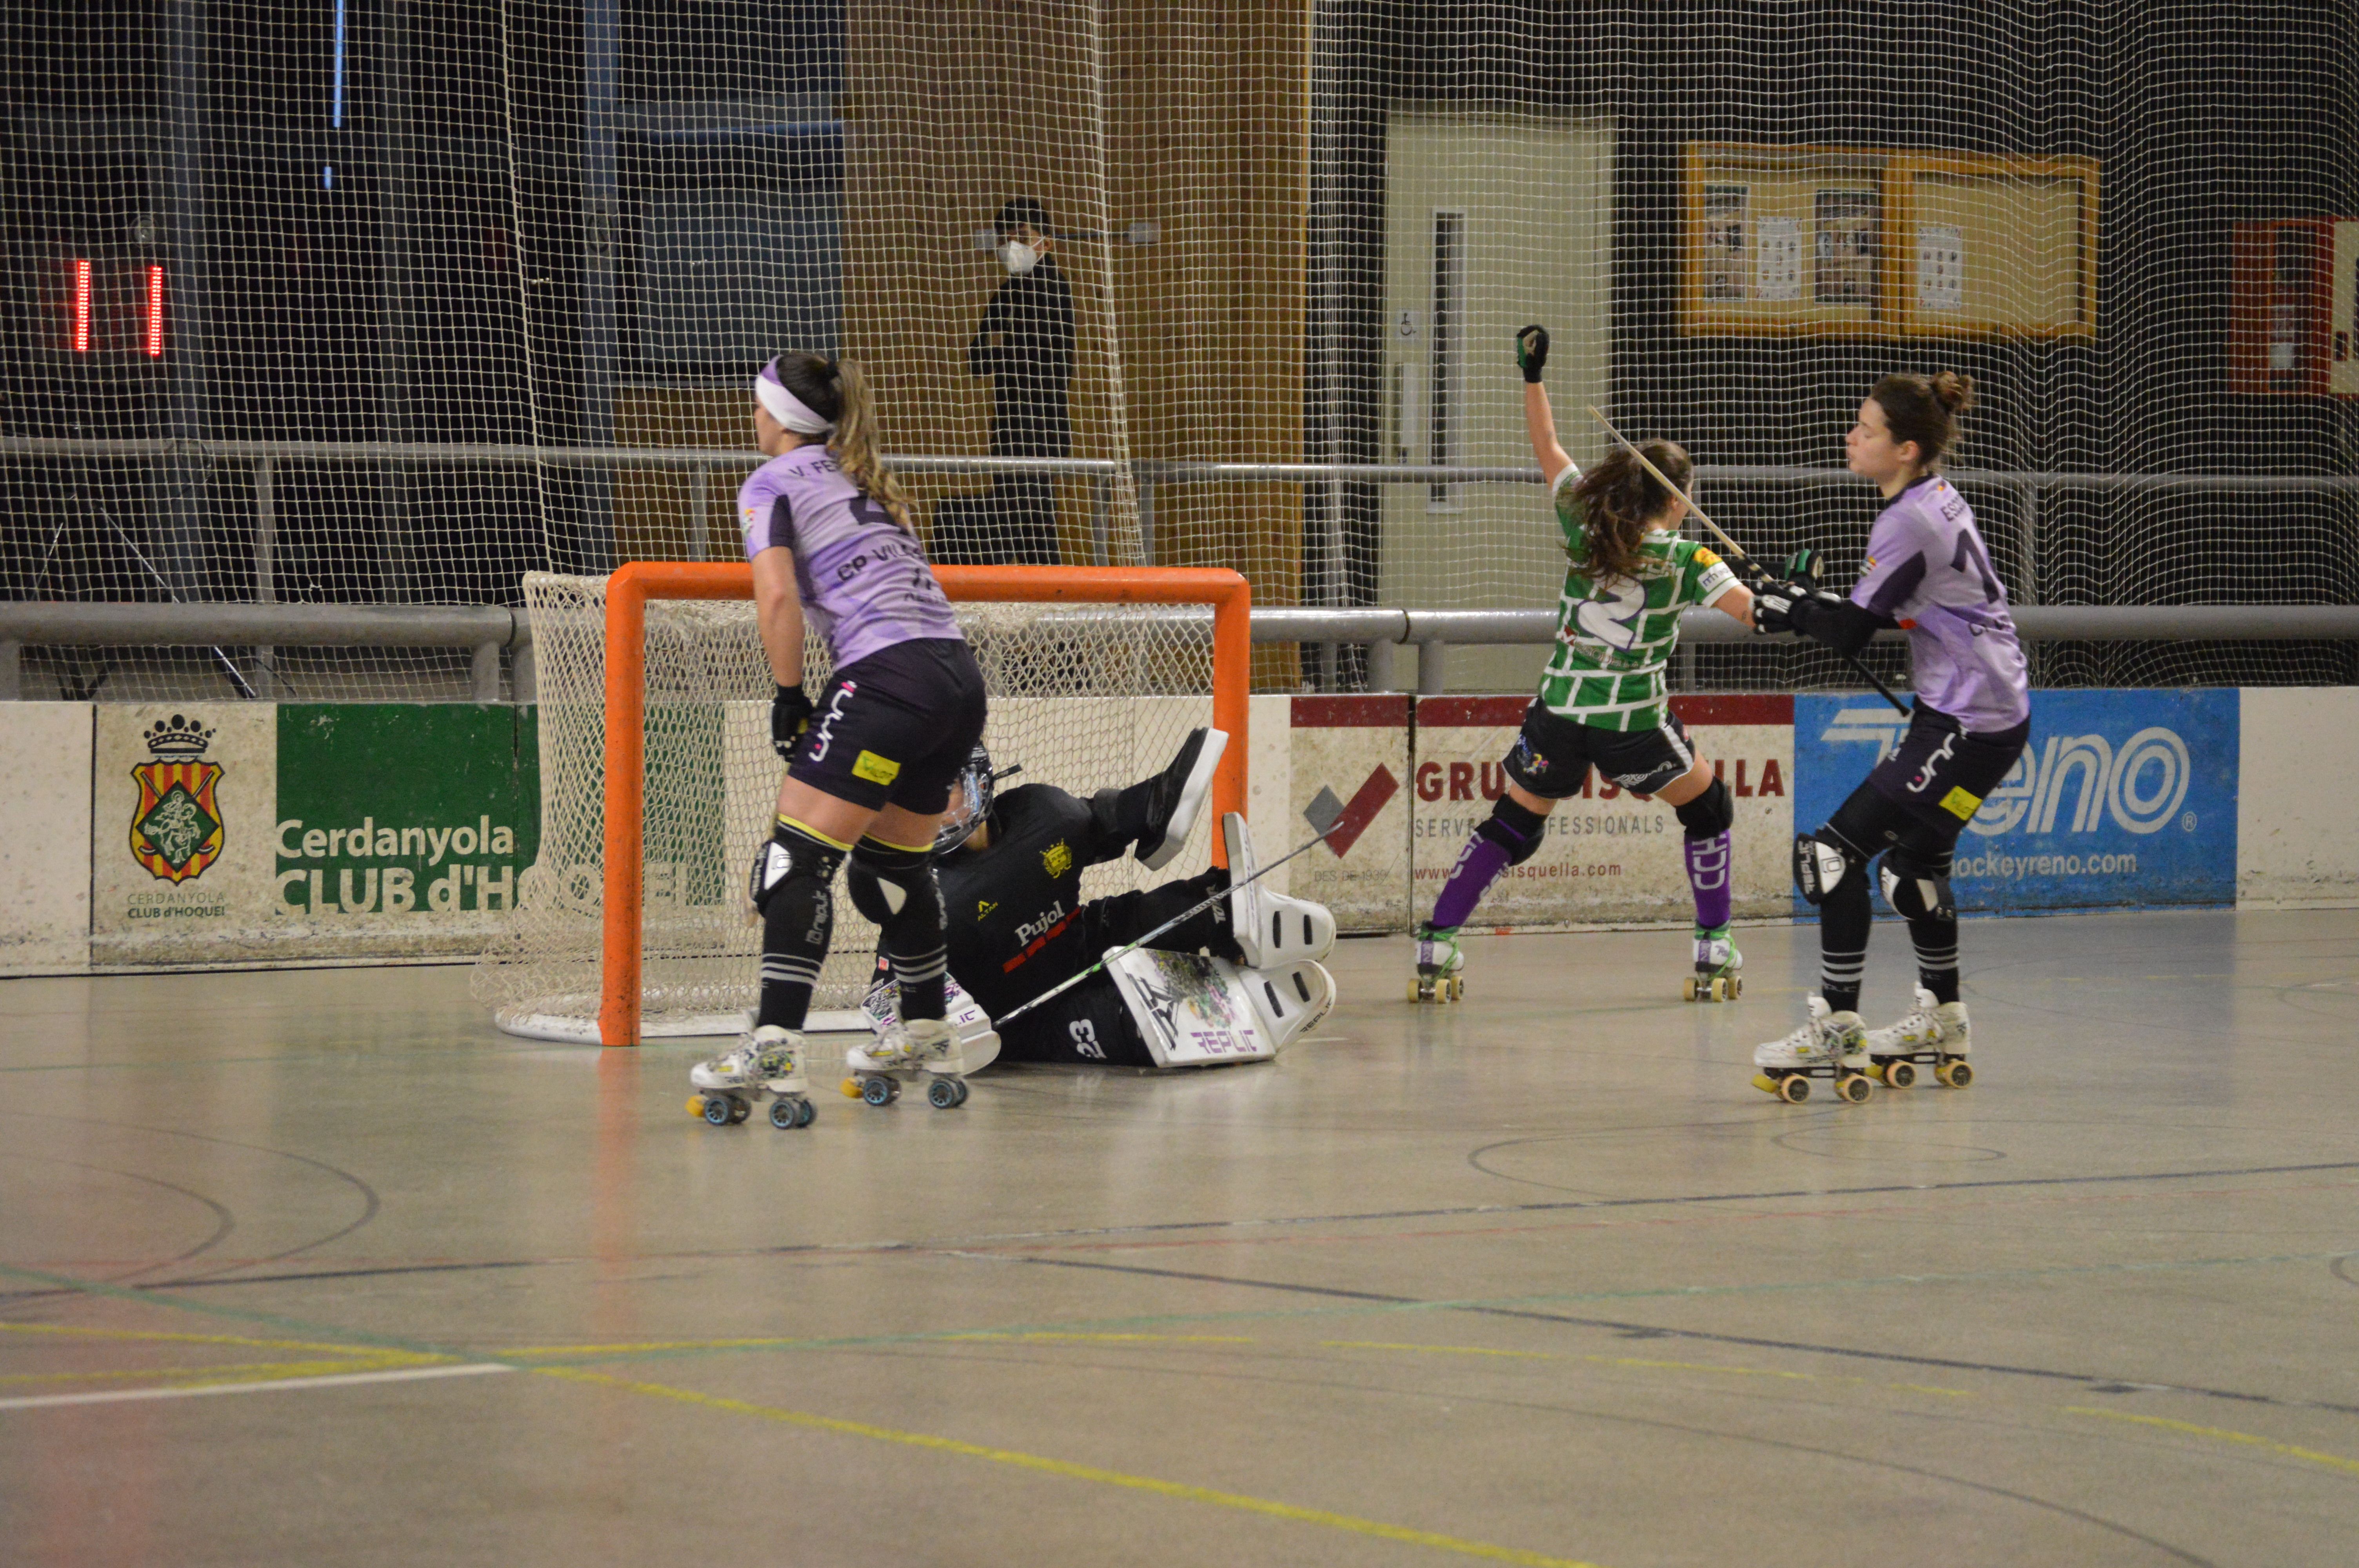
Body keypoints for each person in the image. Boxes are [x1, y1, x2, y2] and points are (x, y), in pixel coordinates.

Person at [687, 352, 990, 1128]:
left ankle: (775, 1046)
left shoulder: (769, 484)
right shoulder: (873, 481)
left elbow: (779, 594)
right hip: (955, 677)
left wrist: (789, 695)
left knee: (793, 862)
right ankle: (926, 1030)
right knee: (889, 870)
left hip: (885, 680)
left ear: (773, 417)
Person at [1411, 324, 1756, 1003]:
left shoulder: (1584, 523)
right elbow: (1751, 613)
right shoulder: (1690, 559)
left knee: (1512, 825)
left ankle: (1436, 941)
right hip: (1630, 724)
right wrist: (1789, 593)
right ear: (1677, 500)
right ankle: (1714, 947)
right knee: (1709, 808)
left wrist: (1532, 376)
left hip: (1558, 714)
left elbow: (1549, 448)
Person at [1750, 370, 2030, 1100]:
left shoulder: (1906, 518)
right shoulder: (1932, 496)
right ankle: (1942, 1015)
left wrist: (1791, 607)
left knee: (1830, 858)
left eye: (1867, 430)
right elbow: (1897, 608)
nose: (1852, 436)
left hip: (1966, 721)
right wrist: (1808, 603)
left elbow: (1848, 631)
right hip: (1993, 714)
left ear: (1906, 449)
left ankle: (1836, 1024)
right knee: (1911, 871)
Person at [866, 729, 1336, 1067]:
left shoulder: (1040, 813)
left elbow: (1099, 822)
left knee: (1181, 907)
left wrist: (1152, 806)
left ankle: (1241, 918)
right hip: (1029, 1018)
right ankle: (1240, 1006)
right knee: (1133, 1023)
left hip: (1081, 943)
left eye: (941, 789)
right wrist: (939, 1023)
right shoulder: (921, 892)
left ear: (979, 782)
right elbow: (886, 992)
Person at [932, 196, 1074, 566]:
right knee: (1017, 512)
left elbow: (1056, 362)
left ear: (1047, 241)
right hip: (1009, 420)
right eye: (1005, 239)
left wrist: (1009, 355)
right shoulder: (1007, 292)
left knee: (1034, 513)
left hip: (1042, 423)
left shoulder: (1054, 287)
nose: (1013, 248)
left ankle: (1051, 592)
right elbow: (977, 359)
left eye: (1023, 238)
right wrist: (1013, 355)